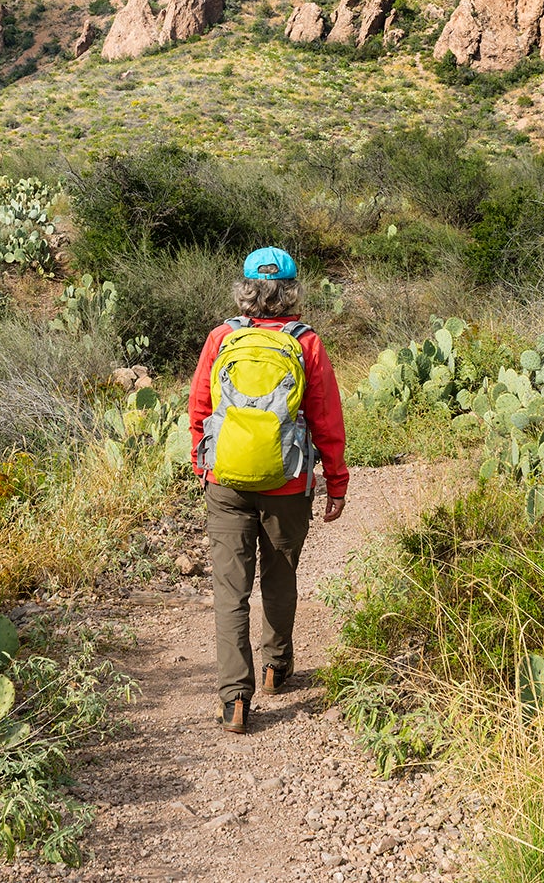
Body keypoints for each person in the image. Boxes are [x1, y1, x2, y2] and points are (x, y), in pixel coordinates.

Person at [187, 246, 349, 734]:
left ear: (246, 289)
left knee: (230, 590)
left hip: (227, 482)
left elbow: (199, 410)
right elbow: (326, 420)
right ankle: (276, 666)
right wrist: (335, 483)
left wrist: (206, 468)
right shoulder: (307, 343)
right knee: (280, 576)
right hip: (288, 480)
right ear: (291, 290)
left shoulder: (221, 338)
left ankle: (236, 697)